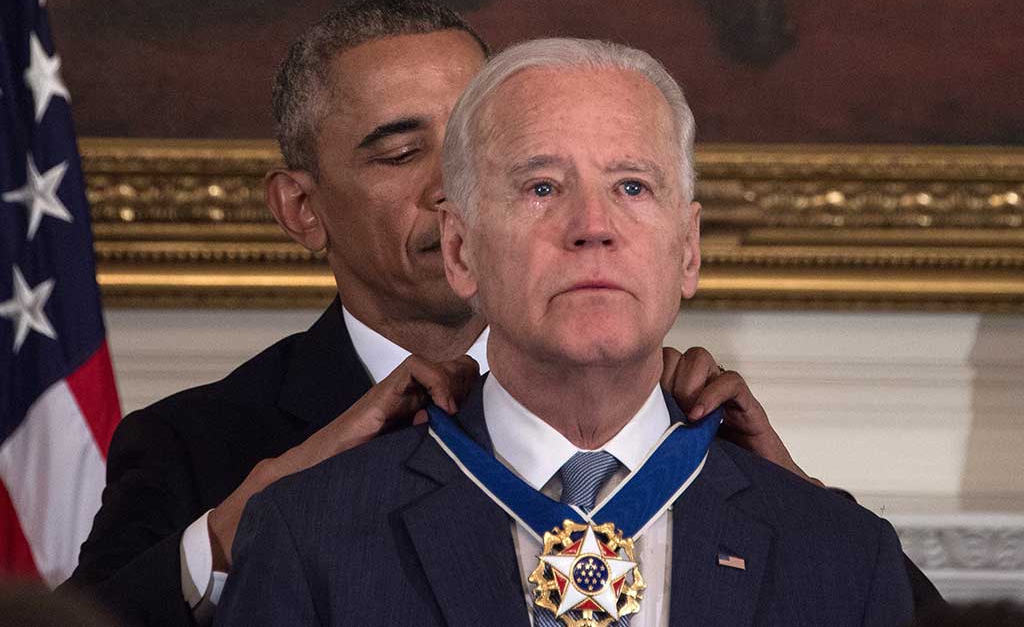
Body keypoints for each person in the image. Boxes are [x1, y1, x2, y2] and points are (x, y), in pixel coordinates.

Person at [65, 0, 796, 627]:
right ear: (301, 208)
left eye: (481, 143)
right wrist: (233, 532)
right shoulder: (198, 445)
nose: (452, 183)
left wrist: (801, 499)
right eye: (400, 153)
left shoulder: (688, 425)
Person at [214, 37, 916, 626]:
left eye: (632, 187)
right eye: (542, 187)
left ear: (689, 250)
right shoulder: (310, 537)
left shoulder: (841, 556)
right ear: (461, 251)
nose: (593, 228)